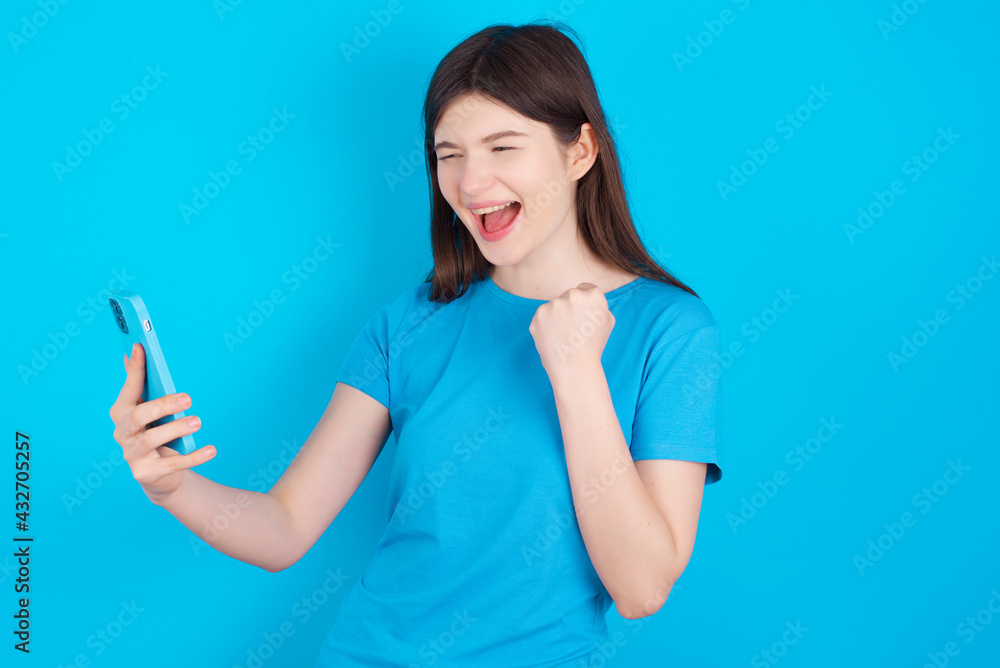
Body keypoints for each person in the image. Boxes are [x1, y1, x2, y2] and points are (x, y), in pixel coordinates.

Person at [109, 20, 724, 667]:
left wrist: (577, 374)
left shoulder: (671, 330)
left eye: (503, 147)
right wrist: (173, 487)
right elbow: (285, 528)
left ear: (580, 152)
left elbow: (642, 586)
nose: (470, 182)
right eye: (448, 153)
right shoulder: (411, 322)